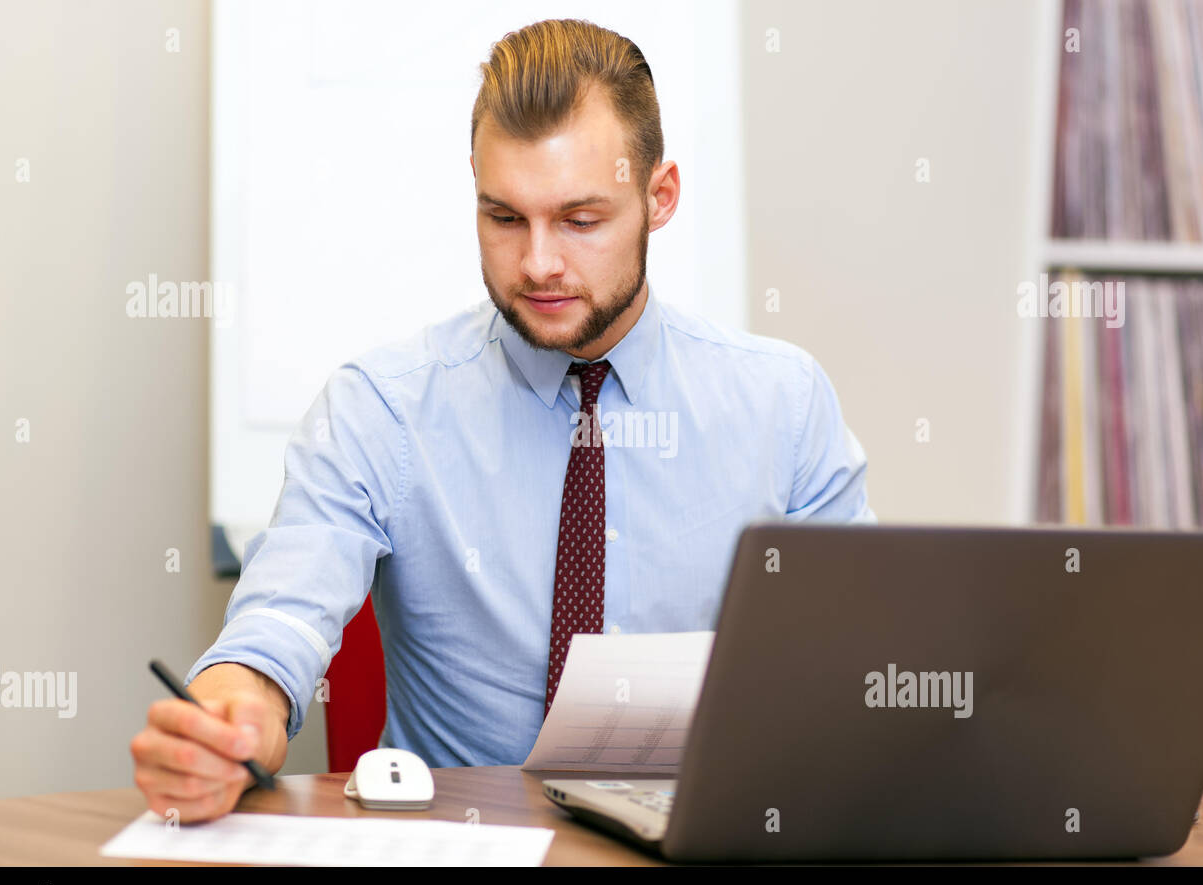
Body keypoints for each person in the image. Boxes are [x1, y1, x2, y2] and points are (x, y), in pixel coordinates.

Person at [130, 18, 875, 822]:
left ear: (659, 197)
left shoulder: (783, 406)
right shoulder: (383, 408)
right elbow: (278, 622)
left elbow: (859, 664)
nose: (539, 264)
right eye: (505, 217)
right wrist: (232, 714)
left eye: (581, 221)